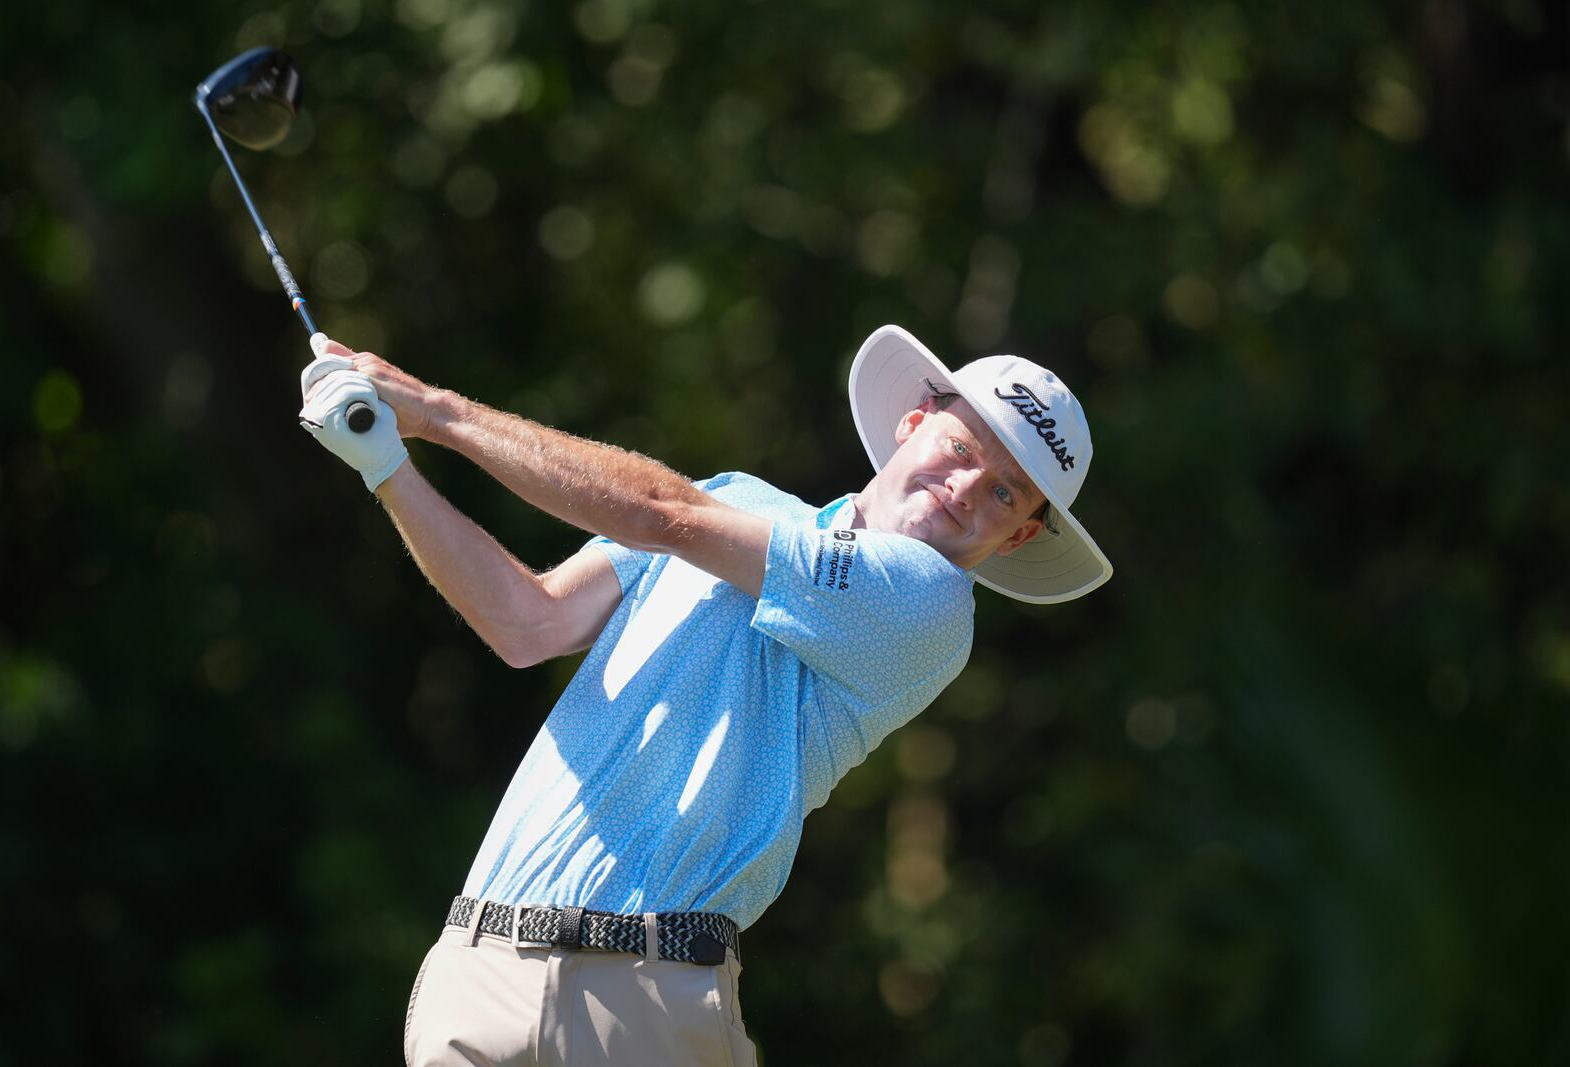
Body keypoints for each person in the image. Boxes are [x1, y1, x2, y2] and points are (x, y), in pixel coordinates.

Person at [297, 324, 1112, 1067]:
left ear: (1020, 536)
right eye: (961, 444)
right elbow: (529, 622)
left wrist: (434, 413)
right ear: (915, 421)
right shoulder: (742, 501)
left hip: (646, 1003)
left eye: (1006, 493)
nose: (967, 487)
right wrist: (388, 467)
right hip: (478, 968)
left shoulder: (928, 604)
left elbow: (665, 514)